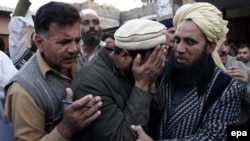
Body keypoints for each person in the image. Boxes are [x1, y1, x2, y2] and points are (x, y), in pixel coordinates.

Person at [134, 2, 246, 141]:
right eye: (177, 40)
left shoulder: (228, 87)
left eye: (190, 42)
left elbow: (215, 136)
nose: (179, 49)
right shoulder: (162, 73)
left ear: (210, 47)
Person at [4, 2, 102, 140]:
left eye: (77, 40)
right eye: (64, 42)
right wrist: (65, 129)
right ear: (39, 42)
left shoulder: (79, 61)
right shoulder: (23, 90)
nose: (74, 49)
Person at [71, 19, 167, 141]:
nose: (156, 65)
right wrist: (142, 85)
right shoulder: (89, 83)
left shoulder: (139, 72)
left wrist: (151, 83)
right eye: (152, 59)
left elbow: (155, 116)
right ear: (124, 56)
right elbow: (124, 137)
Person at [218, 38, 250, 125]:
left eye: (225, 43)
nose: (224, 50)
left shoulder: (239, 66)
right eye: (218, 44)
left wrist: (245, 86)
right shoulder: (193, 68)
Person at [8, 0, 37, 69]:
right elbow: (16, 30)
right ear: (31, 41)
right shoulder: (22, 57)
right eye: (35, 36)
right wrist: (23, 3)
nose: (38, 38)